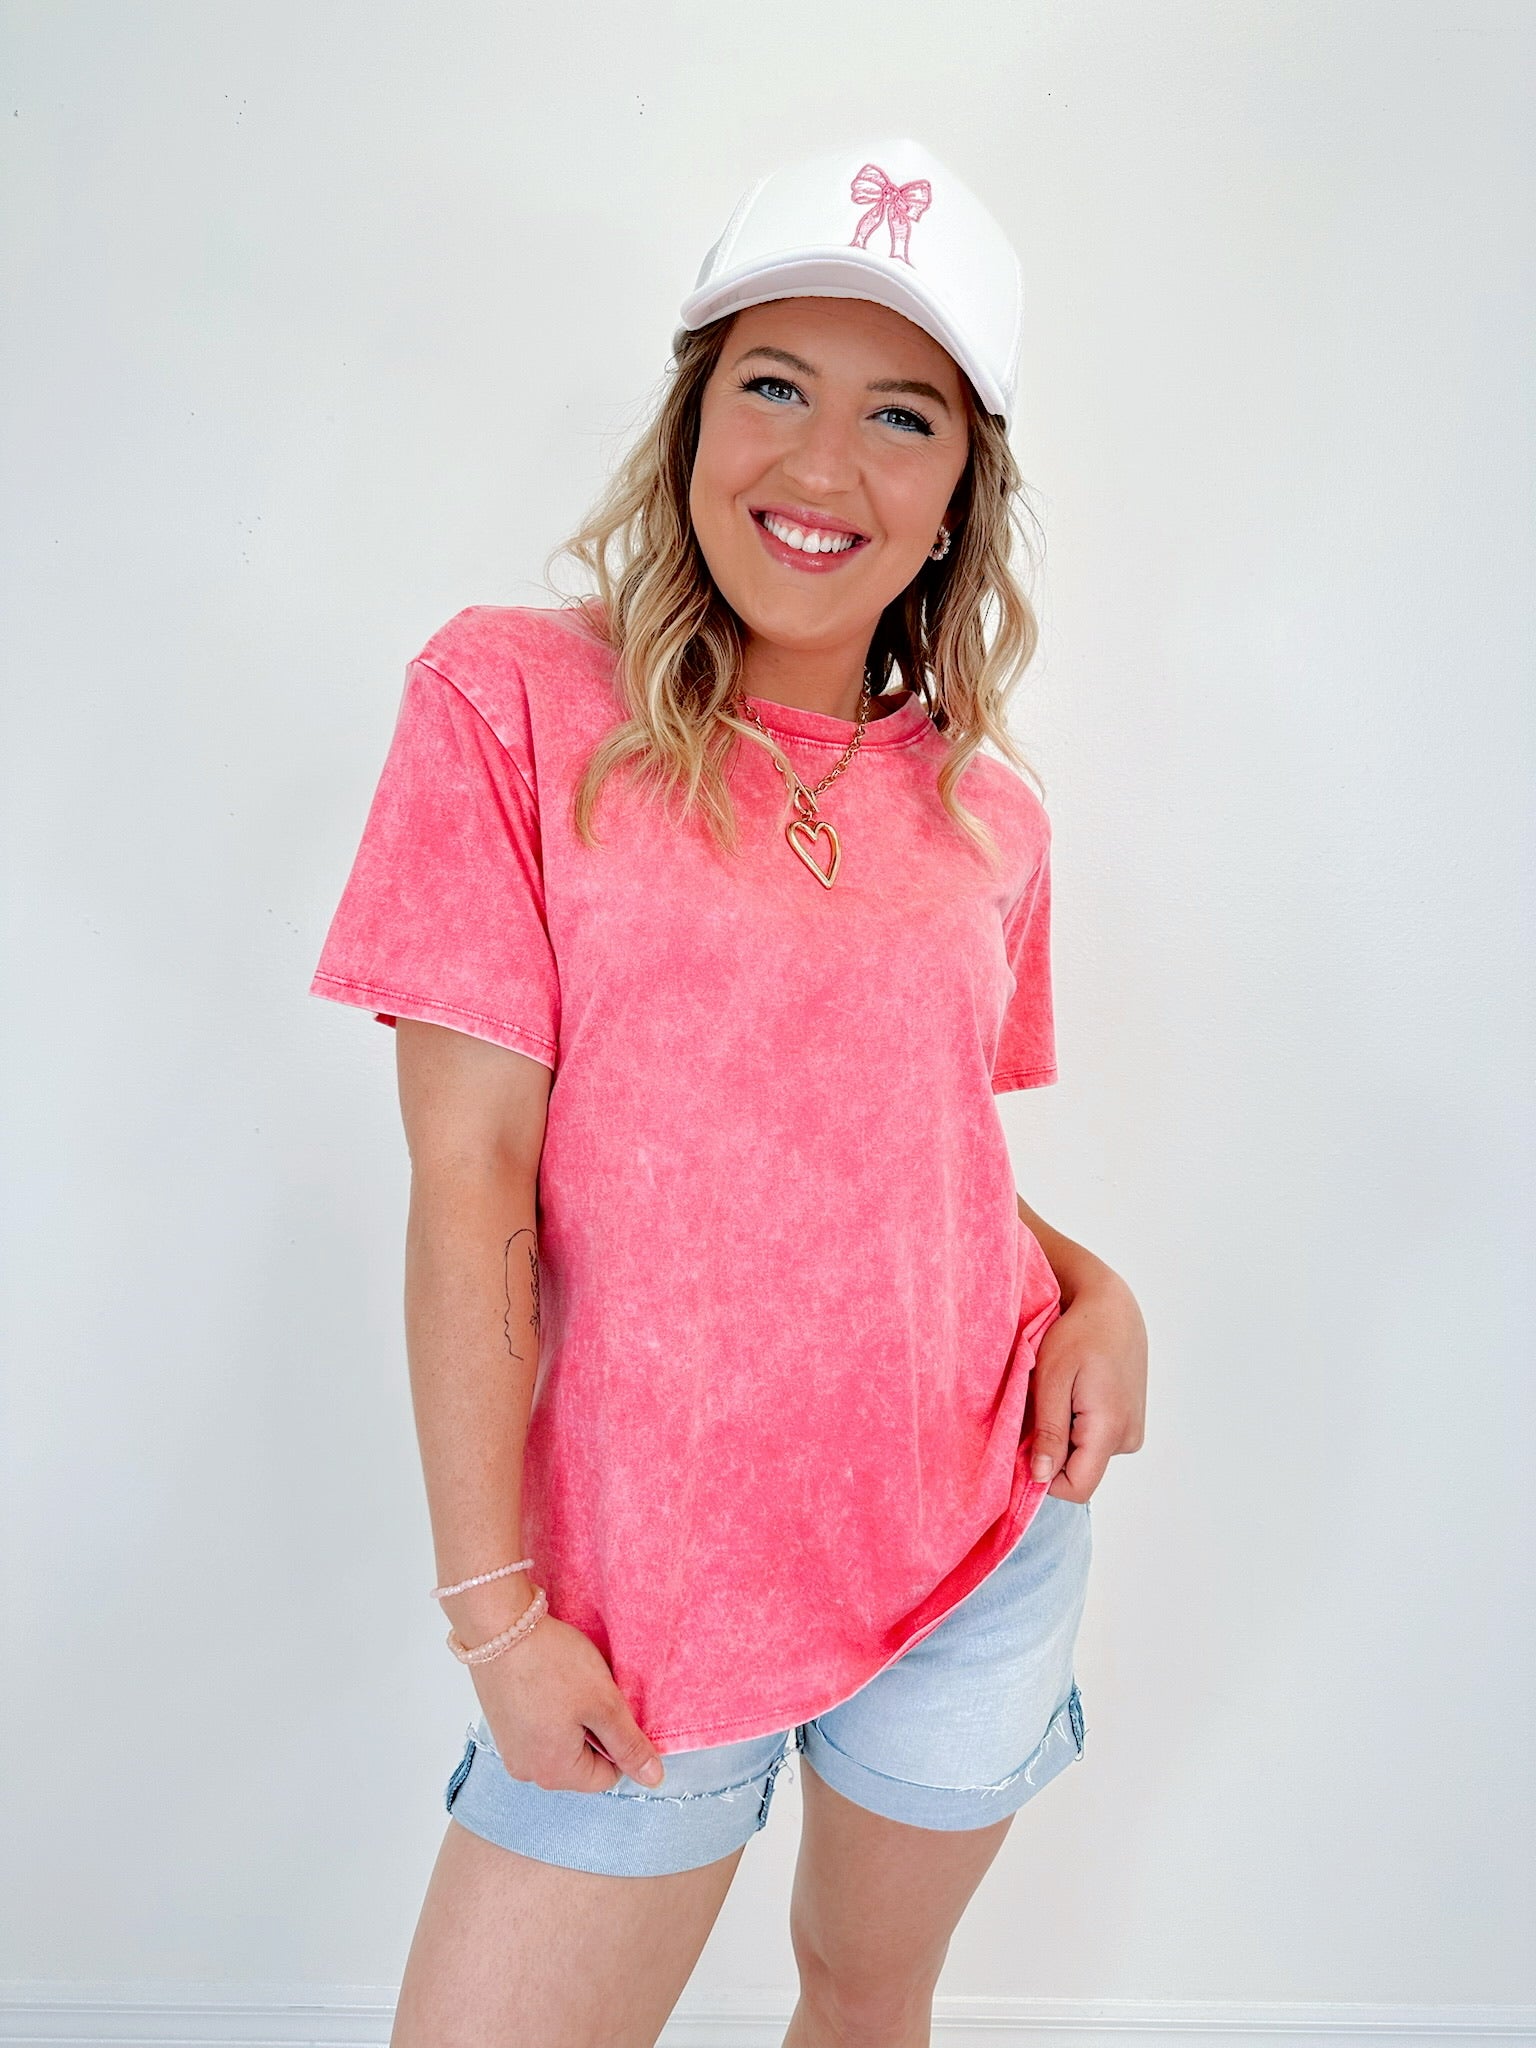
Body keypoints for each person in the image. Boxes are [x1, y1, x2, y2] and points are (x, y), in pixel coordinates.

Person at [309, 137, 1148, 2048]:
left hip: (976, 1544)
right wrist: (497, 1616)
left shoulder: (990, 818)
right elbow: (474, 1169)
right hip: (640, 1600)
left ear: (961, 494)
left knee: (865, 1994)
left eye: (902, 415)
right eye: (775, 384)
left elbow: (903, 1153)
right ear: (693, 416)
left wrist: (1096, 1287)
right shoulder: (512, 706)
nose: (824, 465)